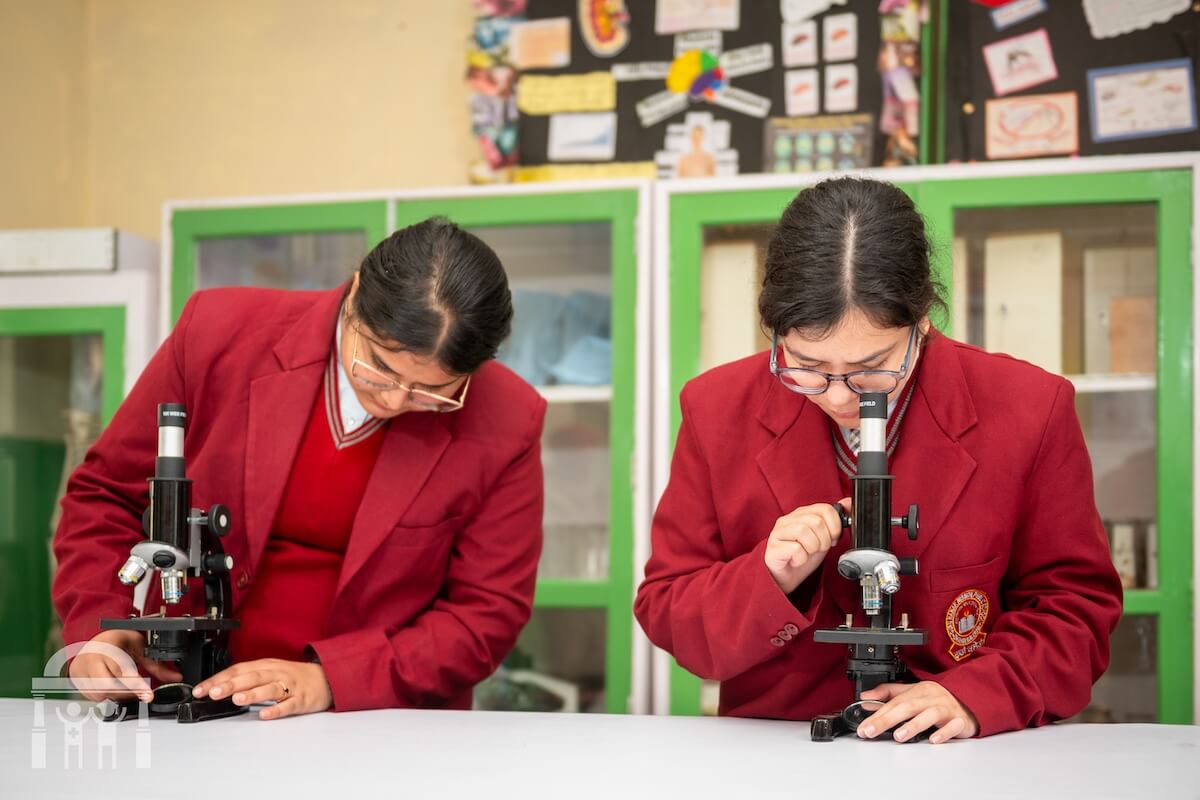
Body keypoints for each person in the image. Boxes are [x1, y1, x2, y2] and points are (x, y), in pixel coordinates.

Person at [635, 177, 1122, 742]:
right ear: (774, 333)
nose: (839, 396)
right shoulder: (716, 408)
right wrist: (768, 577)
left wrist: (976, 693)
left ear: (923, 323)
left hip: (960, 759)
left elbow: (1076, 611)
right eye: (807, 366)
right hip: (777, 755)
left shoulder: (1029, 408)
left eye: (872, 367)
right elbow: (668, 609)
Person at [55, 218, 546, 720]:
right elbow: (105, 496)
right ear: (355, 297)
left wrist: (334, 678)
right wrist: (99, 624)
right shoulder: (219, 334)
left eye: (434, 391)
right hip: (183, 692)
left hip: (375, 719)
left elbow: (485, 613)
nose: (397, 400)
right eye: (379, 365)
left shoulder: (507, 421)